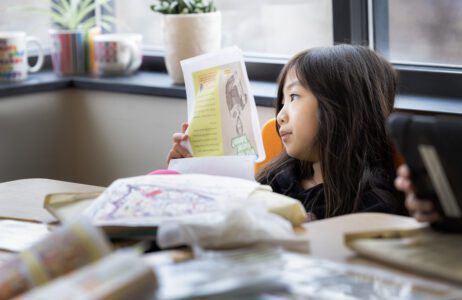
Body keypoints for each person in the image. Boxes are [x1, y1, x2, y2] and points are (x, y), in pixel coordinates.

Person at [167, 44, 405, 221]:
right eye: (282, 102)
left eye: (293, 97)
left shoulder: (371, 205)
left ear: (343, 106)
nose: (280, 115)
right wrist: (191, 176)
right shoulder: (279, 178)